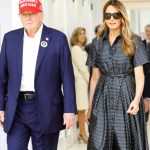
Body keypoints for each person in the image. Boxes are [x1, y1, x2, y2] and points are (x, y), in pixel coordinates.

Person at [0, 0, 77, 150]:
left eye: (32, 14)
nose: (28, 18)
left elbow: (67, 77)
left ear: (41, 15)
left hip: (46, 108)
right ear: (20, 17)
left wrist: (69, 110)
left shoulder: (58, 38)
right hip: (16, 109)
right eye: (24, 14)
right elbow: (2, 77)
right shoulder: (10, 39)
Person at [85, 0, 149, 149]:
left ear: (122, 17)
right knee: (98, 140)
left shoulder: (134, 41)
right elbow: (94, 77)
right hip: (102, 96)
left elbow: (139, 75)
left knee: (124, 141)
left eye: (116, 15)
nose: (112, 19)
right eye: (108, 15)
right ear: (104, 18)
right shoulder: (97, 43)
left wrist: (137, 99)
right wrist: (90, 107)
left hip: (127, 94)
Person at [70, 27, 90, 143]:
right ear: (75, 36)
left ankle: (82, 133)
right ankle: (82, 133)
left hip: (83, 81)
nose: (82, 35)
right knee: (82, 109)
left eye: (84, 33)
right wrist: (90, 81)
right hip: (80, 81)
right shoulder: (76, 49)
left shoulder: (81, 49)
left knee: (83, 108)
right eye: (80, 34)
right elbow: (82, 68)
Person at [143, 24, 150, 122]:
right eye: (147, 31)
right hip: (144, 76)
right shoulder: (141, 43)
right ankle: (145, 119)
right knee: (146, 98)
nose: (149, 33)